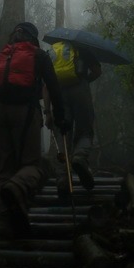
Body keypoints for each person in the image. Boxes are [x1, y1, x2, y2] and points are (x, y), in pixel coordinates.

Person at [0, 21, 67, 240]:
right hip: (26, 113)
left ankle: (2, 223)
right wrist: (60, 118)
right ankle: (17, 187)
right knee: (32, 165)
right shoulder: (39, 56)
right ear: (33, 39)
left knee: (2, 168)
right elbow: (54, 88)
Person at [44, 40, 101, 199]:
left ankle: (63, 180)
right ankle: (79, 157)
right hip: (80, 89)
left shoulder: (52, 53)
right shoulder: (82, 48)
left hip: (59, 93)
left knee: (62, 136)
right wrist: (84, 81)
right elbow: (97, 71)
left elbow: (46, 86)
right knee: (85, 131)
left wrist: (48, 112)